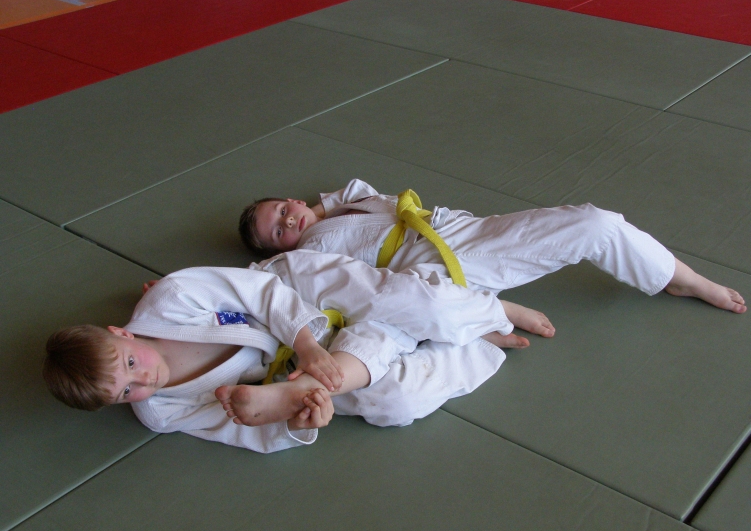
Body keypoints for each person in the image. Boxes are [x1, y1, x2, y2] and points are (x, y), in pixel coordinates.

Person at [44, 251, 527, 454]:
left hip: (291, 293)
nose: (143, 382)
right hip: (289, 371)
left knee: (410, 303)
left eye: (130, 364)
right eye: (125, 392)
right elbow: (238, 425)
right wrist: (295, 420)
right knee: (396, 403)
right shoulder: (161, 410)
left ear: (122, 333)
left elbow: (260, 293)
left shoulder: (171, 298)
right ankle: (473, 338)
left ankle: (493, 311)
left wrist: (308, 345)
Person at [240, 179, 746, 314]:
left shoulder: (347, 203)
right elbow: (275, 279)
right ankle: (684, 279)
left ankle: (486, 308)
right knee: (596, 224)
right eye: (278, 231)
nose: (289, 221)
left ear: (293, 199)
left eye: (282, 210)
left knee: (593, 223)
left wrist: (320, 211)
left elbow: (348, 191)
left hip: (458, 229)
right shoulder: (305, 253)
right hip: (440, 258)